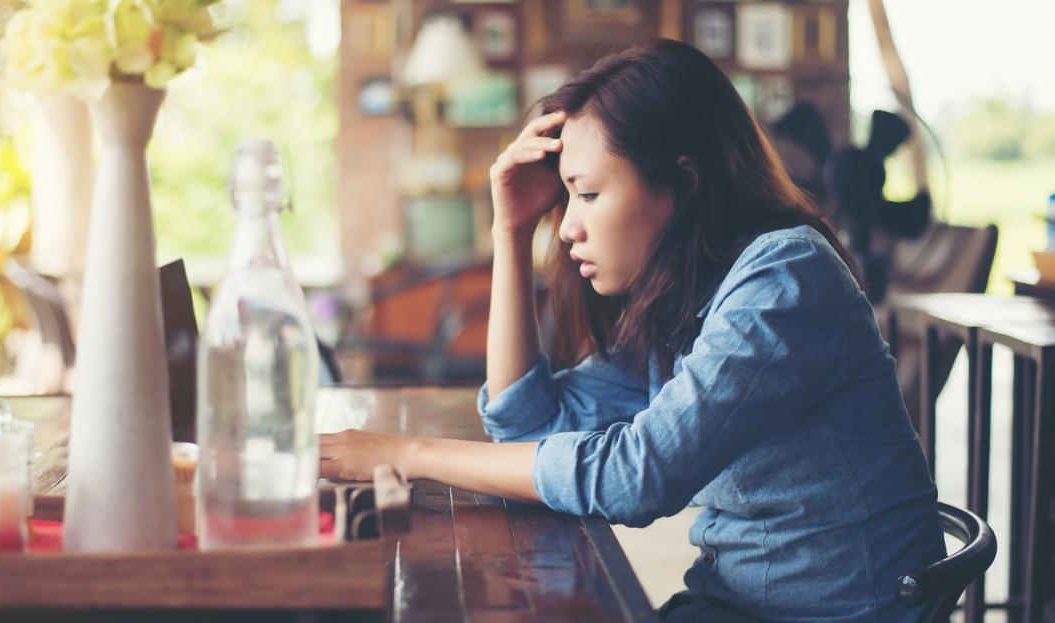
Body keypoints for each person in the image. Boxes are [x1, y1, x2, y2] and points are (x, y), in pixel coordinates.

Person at [320, 39, 944, 622]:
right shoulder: (690, 296)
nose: (565, 229)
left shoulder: (784, 281)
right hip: (737, 602)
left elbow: (635, 475)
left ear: (681, 183)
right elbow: (527, 425)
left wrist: (406, 453)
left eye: (587, 194)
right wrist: (509, 232)